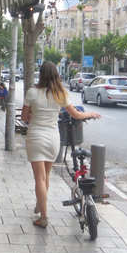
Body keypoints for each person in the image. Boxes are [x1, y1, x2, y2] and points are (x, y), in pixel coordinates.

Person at [21, 61, 100, 228]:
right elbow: (77, 115)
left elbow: (24, 117)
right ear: (56, 74)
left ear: (41, 74)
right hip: (53, 138)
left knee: (39, 179)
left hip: (36, 136)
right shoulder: (61, 94)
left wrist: (34, 114)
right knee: (46, 176)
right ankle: (39, 204)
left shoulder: (32, 92)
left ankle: (43, 217)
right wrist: (91, 114)